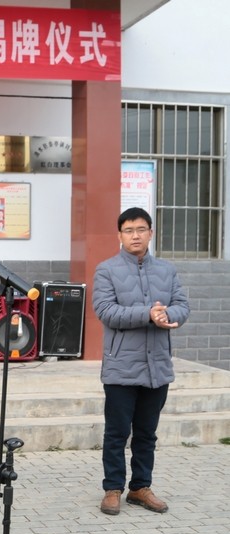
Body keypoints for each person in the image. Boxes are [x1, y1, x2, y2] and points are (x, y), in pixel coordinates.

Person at [93, 206, 189, 516]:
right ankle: (112, 489)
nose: (135, 235)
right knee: (117, 433)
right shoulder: (106, 270)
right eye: (129, 230)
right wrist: (148, 314)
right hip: (121, 367)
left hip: (157, 367)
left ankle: (140, 488)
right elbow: (106, 311)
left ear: (151, 233)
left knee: (147, 433)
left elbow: (182, 305)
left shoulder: (166, 270)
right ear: (119, 235)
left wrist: (167, 314)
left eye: (141, 229)